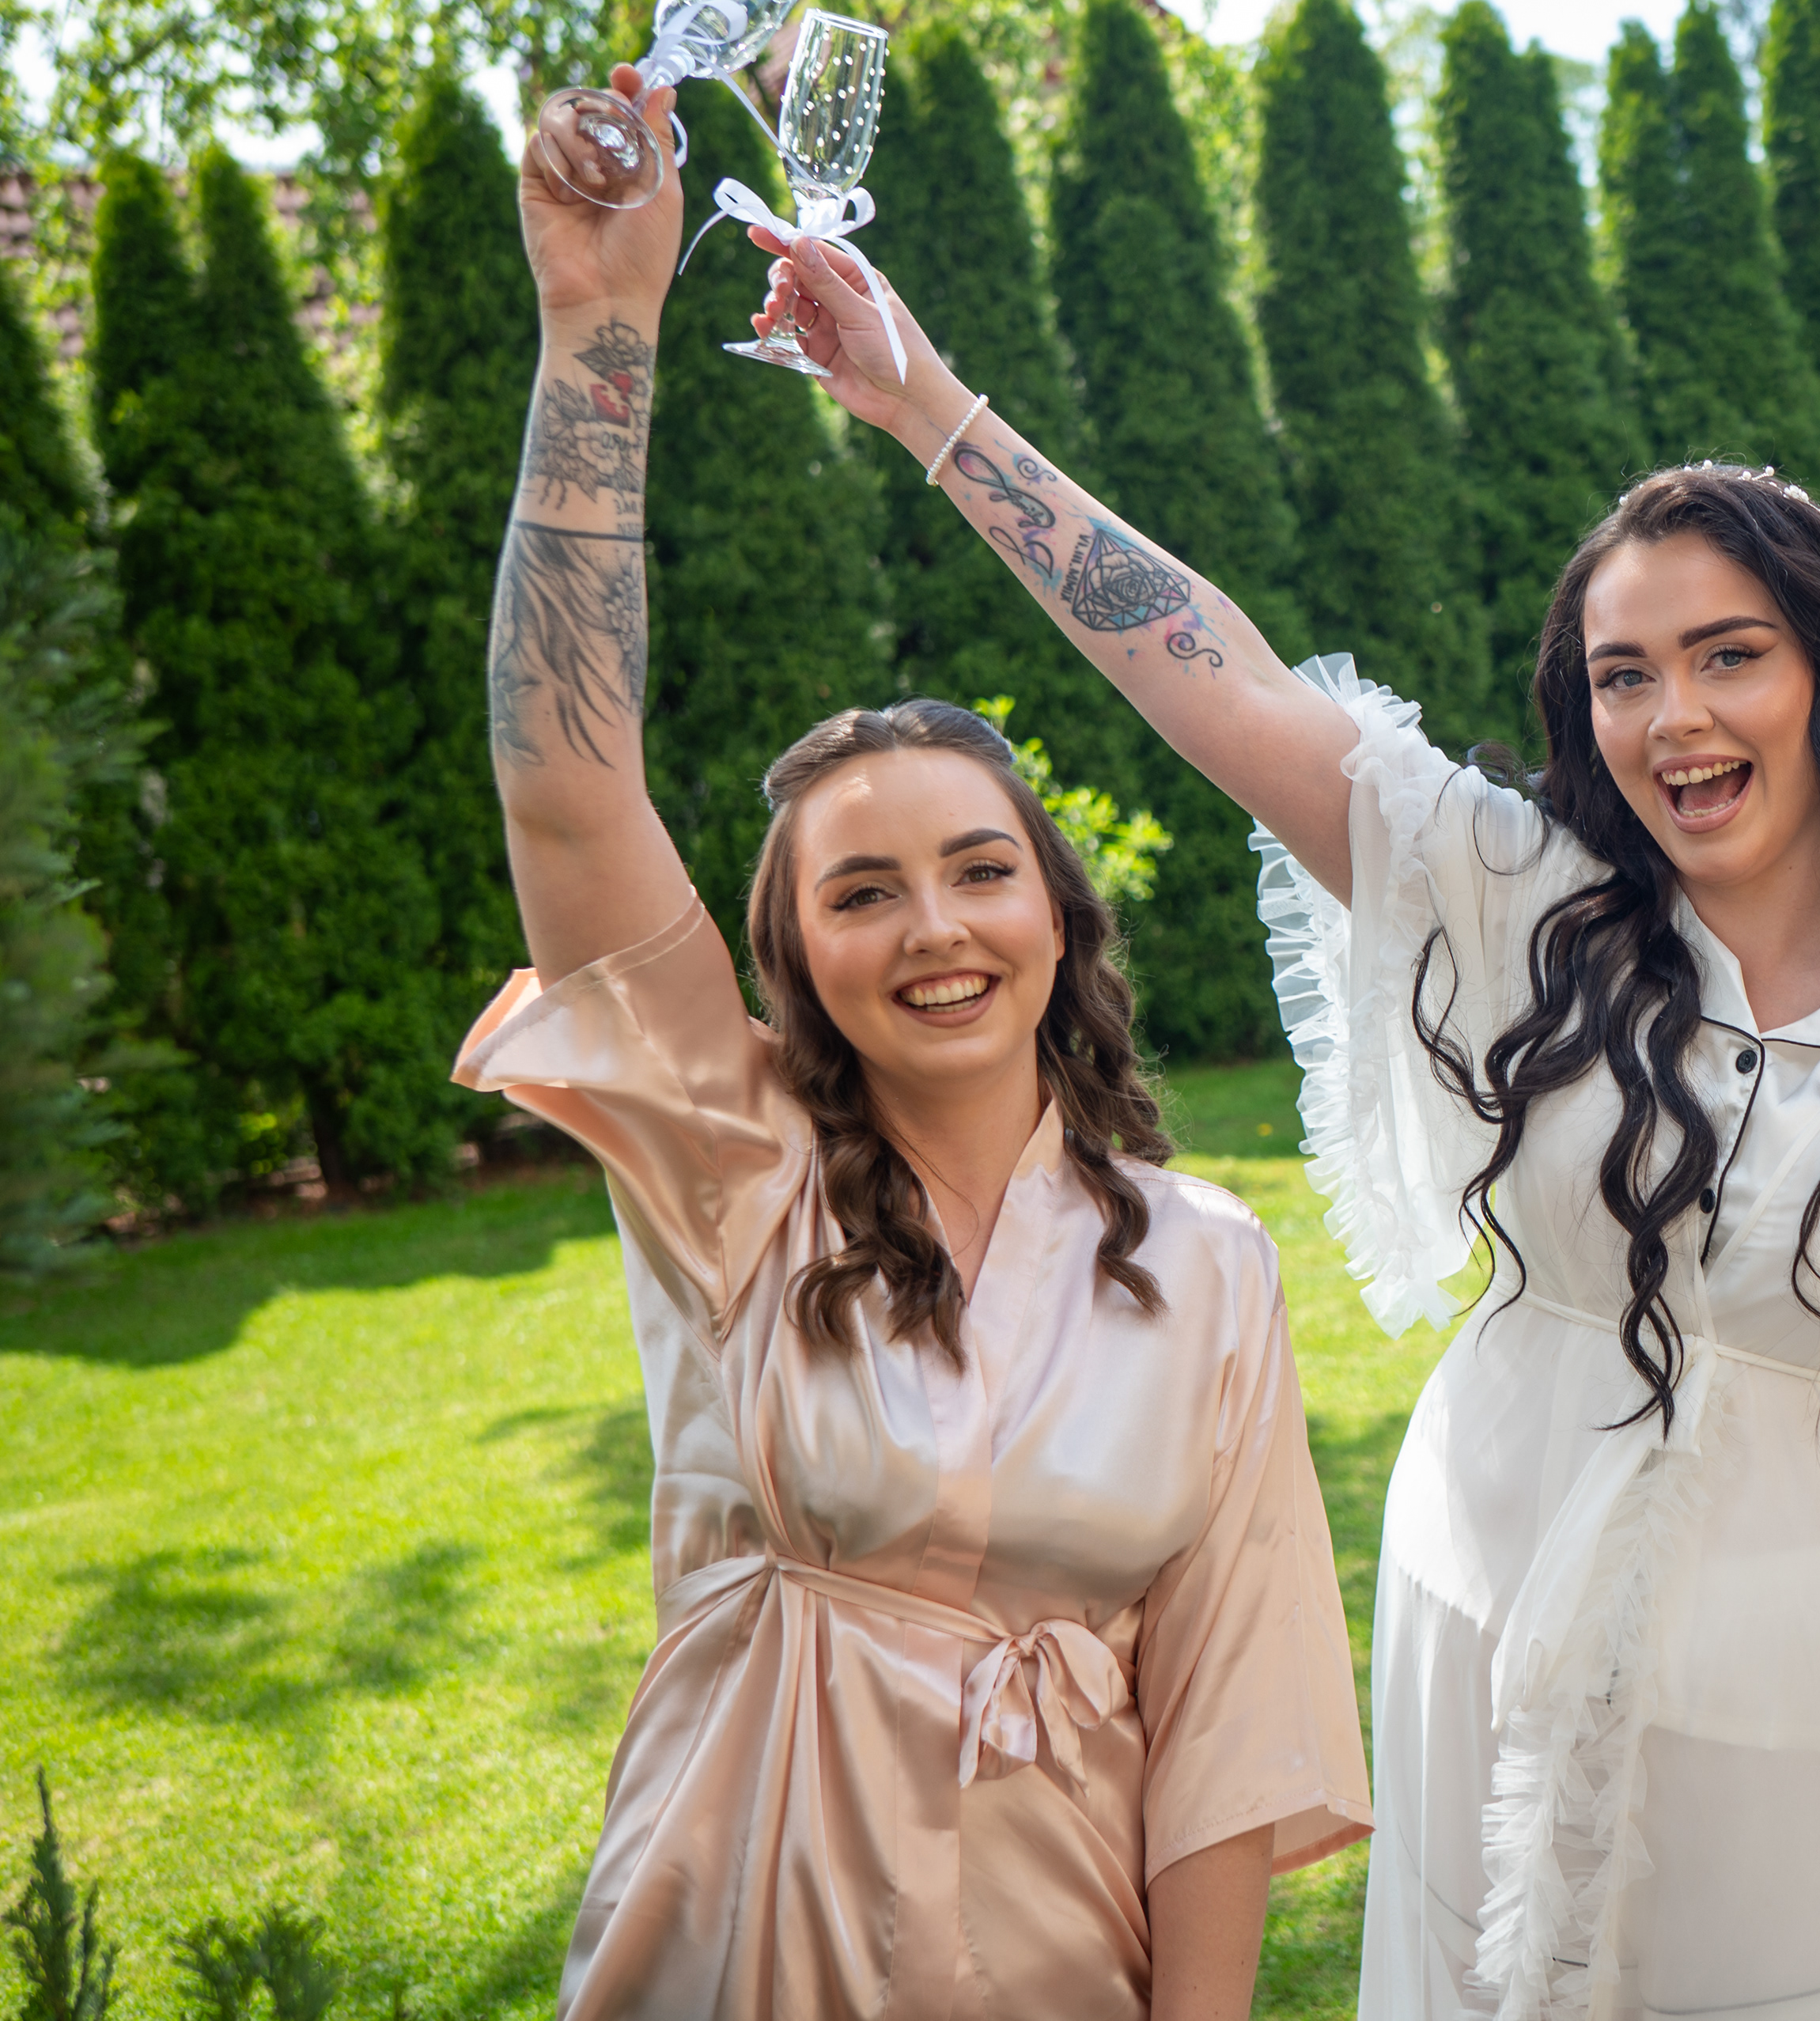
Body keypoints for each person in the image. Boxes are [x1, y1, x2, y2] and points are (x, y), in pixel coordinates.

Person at [759, 125, 1820, 2021]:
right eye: (1623, 674)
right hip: (1481, 1640)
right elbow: (1209, 670)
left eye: (1728, 656)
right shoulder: (1525, 904)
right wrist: (925, 406)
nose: (1674, 716)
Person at [473, 79, 1369, 2021]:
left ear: (1059, 914)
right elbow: (566, 788)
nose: (937, 927)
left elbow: (1234, 1724)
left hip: (1062, 1963)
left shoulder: (1207, 1264)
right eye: (863, 892)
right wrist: (599, 332)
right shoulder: (735, 1163)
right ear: (792, 955)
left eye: (980, 870)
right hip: (736, 1949)